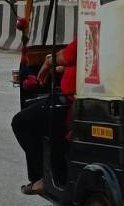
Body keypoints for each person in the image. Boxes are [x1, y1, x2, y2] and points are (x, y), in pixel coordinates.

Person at [11, 36, 77, 195]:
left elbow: (67, 55)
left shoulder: (93, 31)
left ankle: (43, 177)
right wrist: (62, 68)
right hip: (77, 99)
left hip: (72, 101)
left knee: (21, 122)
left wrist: (48, 62)